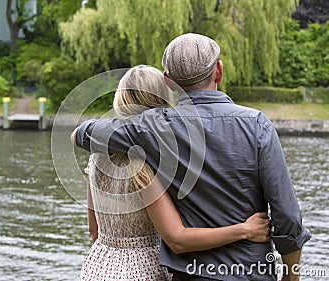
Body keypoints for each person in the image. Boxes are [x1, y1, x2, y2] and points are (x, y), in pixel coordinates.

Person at [73, 34, 311, 281]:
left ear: (169, 82)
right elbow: (288, 216)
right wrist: (290, 275)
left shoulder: (153, 129)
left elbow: (82, 134)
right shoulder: (257, 125)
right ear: (218, 71)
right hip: (250, 272)